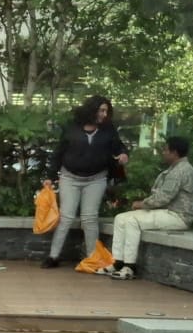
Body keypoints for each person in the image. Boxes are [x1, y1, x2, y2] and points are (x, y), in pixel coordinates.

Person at [41, 95, 128, 269]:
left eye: (106, 111)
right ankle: (53, 256)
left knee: (90, 218)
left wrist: (124, 154)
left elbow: (118, 146)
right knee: (66, 217)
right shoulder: (72, 127)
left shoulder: (108, 128)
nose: (104, 114)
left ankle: (92, 258)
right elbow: (59, 152)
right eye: (101, 110)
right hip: (69, 177)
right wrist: (50, 176)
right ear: (92, 109)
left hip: (96, 179)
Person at [102, 136, 193, 281]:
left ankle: (130, 267)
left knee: (132, 220)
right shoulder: (175, 169)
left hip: (177, 216)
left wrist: (141, 204)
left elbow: (163, 198)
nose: (163, 153)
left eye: (166, 150)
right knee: (120, 218)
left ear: (175, 152)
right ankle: (118, 262)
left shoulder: (181, 171)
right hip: (165, 212)